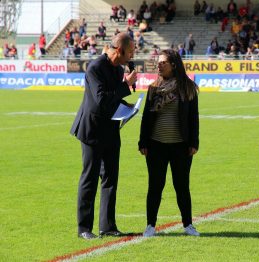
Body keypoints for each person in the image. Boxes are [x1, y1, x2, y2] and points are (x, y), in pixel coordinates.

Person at [70, 32, 137, 240]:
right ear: (119, 50)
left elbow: (112, 101)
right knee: (89, 178)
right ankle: (83, 228)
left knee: (110, 178)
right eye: (131, 51)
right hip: (91, 131)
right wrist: (125, 86)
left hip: (110, 130)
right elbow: (101, 100)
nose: (133, 55)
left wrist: (129, 108)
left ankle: (107, 226)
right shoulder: (95, 68)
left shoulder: (118, 69)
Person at [138, 49, 200, 238]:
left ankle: (188, 224)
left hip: (181, 146)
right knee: (155, 186)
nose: (159, 65)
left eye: (163, 62)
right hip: (156, 145)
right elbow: (146, 117)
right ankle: (150, 225)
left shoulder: (187, 87)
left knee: (182, 186)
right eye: (158, 62)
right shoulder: (154, 87)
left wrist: (193, 142)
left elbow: (193, 118)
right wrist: (143, 141)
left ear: (174, 65)